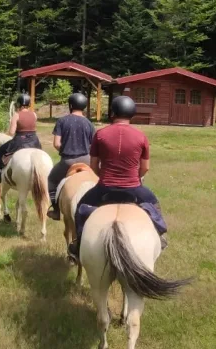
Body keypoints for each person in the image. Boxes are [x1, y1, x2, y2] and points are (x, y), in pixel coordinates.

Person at [67, 96, 166, 262]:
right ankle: (160, 237)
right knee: (155, 206)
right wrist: (136, 178)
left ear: (112, 112)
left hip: (105, 187)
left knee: (80, 208)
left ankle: (78, 243)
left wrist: (104, 176)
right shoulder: (141, 136)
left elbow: (94, 164)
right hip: (134, 187)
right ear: (132, 113)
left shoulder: (100, 134)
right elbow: (145, 167)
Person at [46, 93, 95, 220]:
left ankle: (56, 210)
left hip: (68, 161)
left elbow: (56, 144)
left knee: (51, 180)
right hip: (87, 160)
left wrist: (66, 149)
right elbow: (92, 146)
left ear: (71, 105)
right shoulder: (89, 123)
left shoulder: (62, 121)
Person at [0, 93, 42, 183]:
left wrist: (4, 134)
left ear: (18, 104)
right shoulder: (34, 114)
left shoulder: (16, 115)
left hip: (20, 141)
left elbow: (11, 133)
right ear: (29, 104)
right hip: (34, 141)